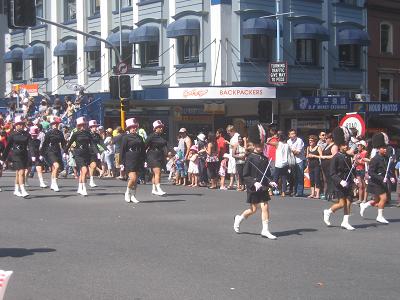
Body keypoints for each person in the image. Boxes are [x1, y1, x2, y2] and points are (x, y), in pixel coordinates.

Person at [233, 124, 278, 240]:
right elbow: (245, 175)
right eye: (258, 145)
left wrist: (270, 182)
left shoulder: (265, 158)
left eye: (262, 145)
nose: (260, 147)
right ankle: (239, 218)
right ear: (254, 145)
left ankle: (265, 230)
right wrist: (254, 182)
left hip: (262, 187)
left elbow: (267, 174)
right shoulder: (250, 158)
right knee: (253, 210)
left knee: (265, 206)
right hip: (253, 187)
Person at [323, 127, 356, 230]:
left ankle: (345, 222)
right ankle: (328, 211)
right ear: (339, 145)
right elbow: (332, 173)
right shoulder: (336, 157)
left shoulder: (347, 156)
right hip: (340, 182)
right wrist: (340, 181)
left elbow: (350, 169)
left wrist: (354, 178)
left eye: (346, 144)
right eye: (344, 145)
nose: (346, 146)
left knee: (349, 201)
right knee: (342, 203)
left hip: (348, 182)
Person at [360, 133, 394, 223]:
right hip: (376, 182)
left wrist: (391, 177)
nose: (385, 149)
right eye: (383, 148)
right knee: (384, 198)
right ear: (379, 149)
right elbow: (370, 172)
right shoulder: (375, 159)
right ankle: (379, 216)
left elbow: (386, 170)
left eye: (385, 148)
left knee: (376, 200)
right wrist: (380, 178)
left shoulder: (386, 158)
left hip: (382, 181)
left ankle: (365, 205)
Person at [65, 117, 98, 196]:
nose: (83, 126)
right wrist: (65, 151)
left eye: (84, 125)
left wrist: (97, 152)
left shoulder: (88, 133)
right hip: (78, 153)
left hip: (86, 153)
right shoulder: (76, 133)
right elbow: (70, 143)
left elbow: (92, 143)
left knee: (82, 172)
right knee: (84, 170)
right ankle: (84, 188)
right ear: (78, 126)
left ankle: (79, 187)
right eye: (81, 125)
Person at [1, 116, 33, 197]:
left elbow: (30, 145)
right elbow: (7, 147)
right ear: (16, 125)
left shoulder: (27, 135)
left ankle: (16, 189)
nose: (21, 126)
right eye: (19, 124)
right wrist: (3, 159)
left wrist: (33, 155)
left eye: (22, 124)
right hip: (15, 155)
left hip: (24, 155)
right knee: (21, 171)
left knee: (18, 173)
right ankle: (23, 190)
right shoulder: (12, 135)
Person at [120, 118, 145, 203]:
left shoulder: (140, 137)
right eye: (132, 127)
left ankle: (133, 195)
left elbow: (143, 149)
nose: (134, 128)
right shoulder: (126, 137)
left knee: (136, 179)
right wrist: (122, 162)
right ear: (129, 128)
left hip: (138, 158)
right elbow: (122, 150)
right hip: (129, 159)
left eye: (135, 127)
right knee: (133, 178)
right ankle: (127, 192)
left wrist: (144, 160)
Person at [40, 116, 66, 192]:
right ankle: (55, 184)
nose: (55, 125)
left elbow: (63, 143)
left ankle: (52, 183)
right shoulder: (48, 133)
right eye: (54, 124)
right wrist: (42, 153)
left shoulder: (60, 133)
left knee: (55, 168)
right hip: (50, 151)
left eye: (57, 124)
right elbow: (45, 144)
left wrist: (65, 152)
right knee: (56, 166)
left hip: (57, 151)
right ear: (52, 125)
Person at [146, 120, 168, 196]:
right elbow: (145, 146)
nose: (161, 128)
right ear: (155, 128)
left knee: (154, 174)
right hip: (152, 155)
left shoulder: (162, 136)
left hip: (160, 155)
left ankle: (154, 189)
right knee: (158, 172)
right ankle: (159, 189)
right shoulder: (151, 136)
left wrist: (167, 153)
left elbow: (165, 146)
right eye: (159, 127)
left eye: (162, 127)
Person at [287, 129, 305, 197]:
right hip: (292, 161)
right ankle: (295, 191)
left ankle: (299, 192)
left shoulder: (299, 140)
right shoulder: (288, 141)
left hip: (299, 160)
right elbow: (288, 152)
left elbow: (298, 152)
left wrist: (291, 151)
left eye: (294, 133)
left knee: (300, 176)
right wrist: (292, 151)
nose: (293, 135)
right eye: (291, 134)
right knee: (294, 176)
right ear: (289, 135)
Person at [320, 133, 338, 201]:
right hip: (325, 165)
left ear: (331, 139)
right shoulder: (327, 145)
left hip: (330, 165)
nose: (326, 140)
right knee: (327, 180)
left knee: (331, 179)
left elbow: (334, 156)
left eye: (327, 138)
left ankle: (332, 194)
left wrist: (324, 157)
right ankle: (327, 193)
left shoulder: (334, 146)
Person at [88, 120, 105, 187]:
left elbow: (101, 142)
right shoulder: (88, 134)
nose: (95, 128)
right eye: (93, 127)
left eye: (96, 126)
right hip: (88, 152)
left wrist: (106, 149)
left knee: (93, 166)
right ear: (91, 128)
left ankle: (91, 181)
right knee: (91, 166)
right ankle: (83, 182)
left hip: (95, 152)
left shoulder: (97, 135)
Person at [226, 125, 239, 189]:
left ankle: (238, 184)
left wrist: (228, 143)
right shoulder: (232, 136)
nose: (228, 134)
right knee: (231, 170)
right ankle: (231, 184)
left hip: (235, 154)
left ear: (232, 131)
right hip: (231, 154)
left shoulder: (237, 136)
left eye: (229, 132)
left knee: (236, 170)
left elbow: (237, 145)